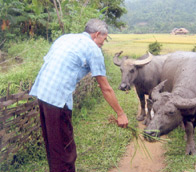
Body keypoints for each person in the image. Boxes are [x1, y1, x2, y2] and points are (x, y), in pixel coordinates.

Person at [29, 19, 128, 172]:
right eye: (104, 38)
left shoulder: (65, 38)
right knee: (65, 150)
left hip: (42, 93)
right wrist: (120, 113)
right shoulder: (93, 49)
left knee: (53, 145)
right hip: (57, 100)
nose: (104, 42)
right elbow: (106, 88)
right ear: (96, 34)